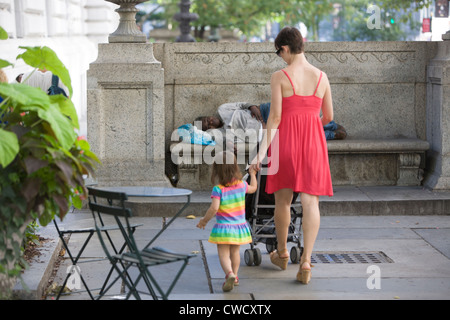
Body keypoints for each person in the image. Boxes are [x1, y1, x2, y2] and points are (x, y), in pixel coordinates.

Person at [249, 26, 334, 284]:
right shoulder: (322, 77)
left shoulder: (280, 77)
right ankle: (306, 261)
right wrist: (309, 127)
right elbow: (329, 117)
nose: (281, 58)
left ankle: (283, 252)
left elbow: (274, 118)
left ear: (285, 48)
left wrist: (260, 154)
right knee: (311, 203)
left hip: (284, 143)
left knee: (282, 202)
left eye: (279, 53)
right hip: (313, 144)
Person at [196, 151, 257, 292]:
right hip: (239, 227)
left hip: (223, 228)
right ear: (235, 167)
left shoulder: (218, 189)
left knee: (223, 254)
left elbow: (214, 208)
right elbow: (253, 189)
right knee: (235, 253)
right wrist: (253, 175)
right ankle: (235, 276)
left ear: (217, 170)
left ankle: (228, 273)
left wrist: (204, 221)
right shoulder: (242, 185)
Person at [197, 102, 346, 140]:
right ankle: (330, 134)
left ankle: (329, 124)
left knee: (294, 115)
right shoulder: (223, 134)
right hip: (264, 129)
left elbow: (242, 104)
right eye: (208, 125)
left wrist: (253, 106)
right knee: (294, 135)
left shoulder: (222, 109)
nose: (210, 121)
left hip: (262, 111)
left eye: (206, 119)